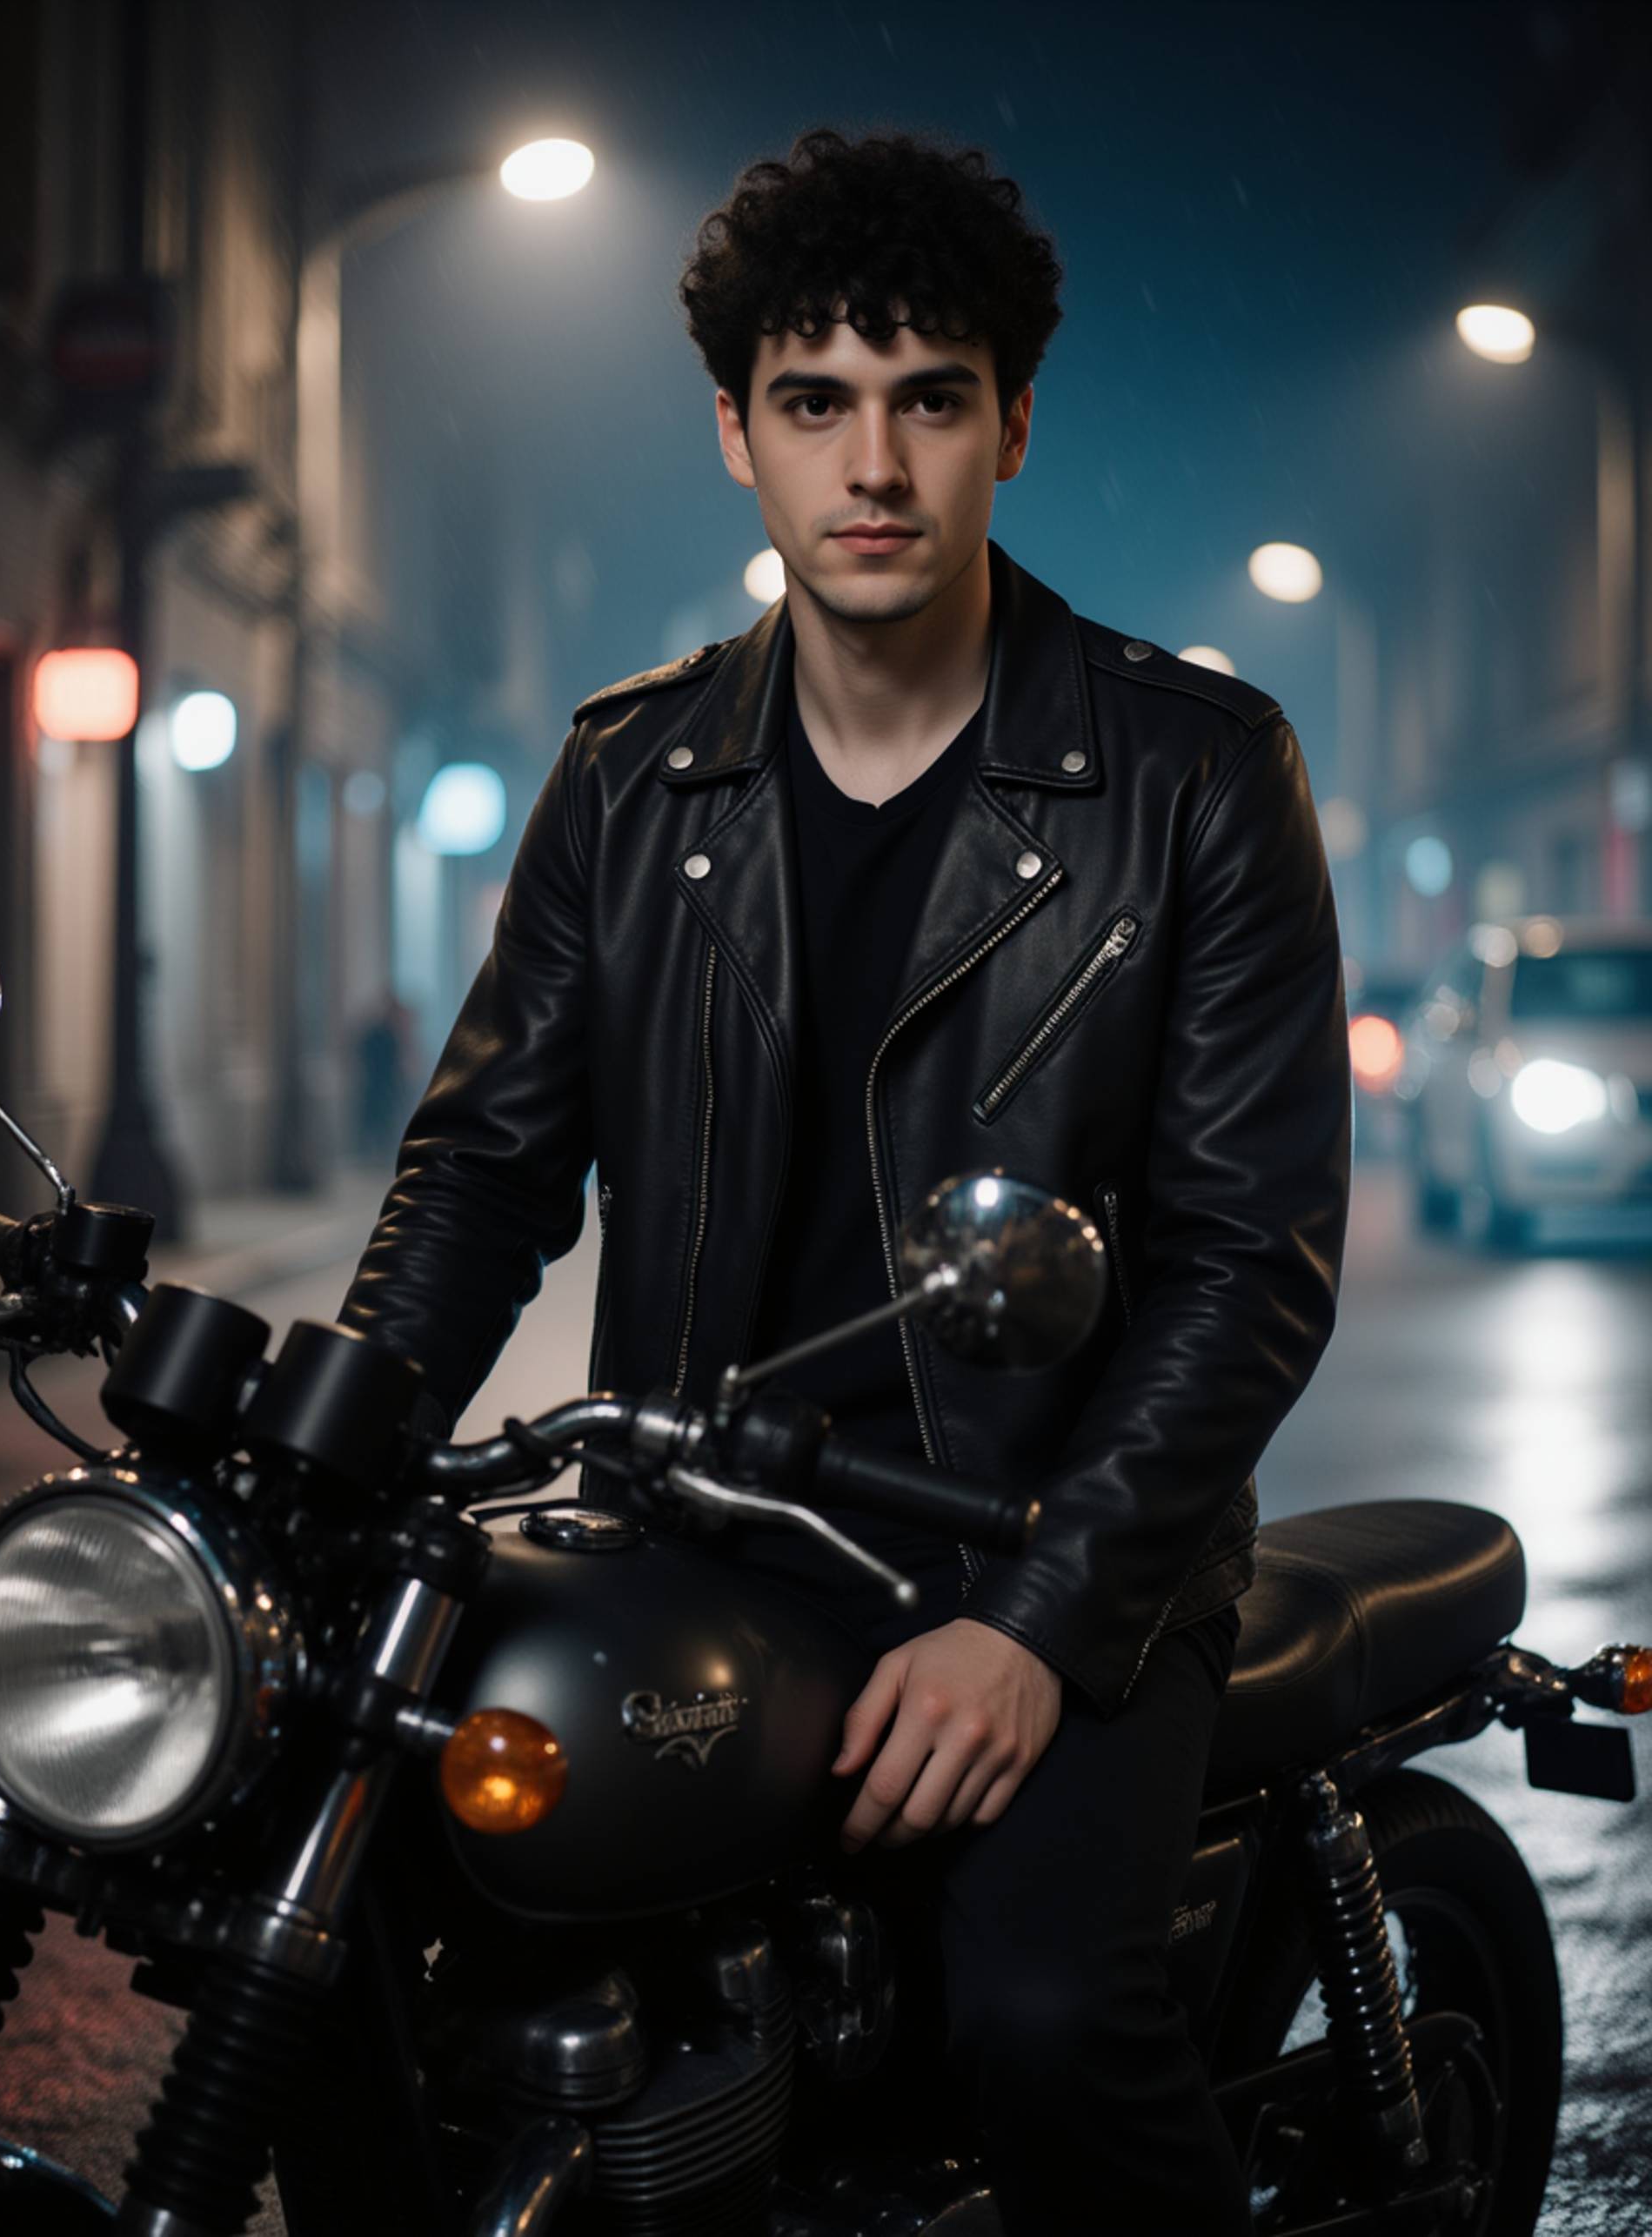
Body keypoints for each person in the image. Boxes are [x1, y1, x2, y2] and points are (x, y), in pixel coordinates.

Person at [338, 125, 1351, 2234]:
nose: (870, 463)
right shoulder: (634, 770)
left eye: (926, 399)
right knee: (382, 1897)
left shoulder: (1187, 770)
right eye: (815, 401)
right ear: (737, 434)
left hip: (1047, 1544)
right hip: (698, 1527)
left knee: (1050, 2014)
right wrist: (339, 1447)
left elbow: (1247, 1254)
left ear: (1010, 424)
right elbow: (485, 1166)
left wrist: (1047, 1626)